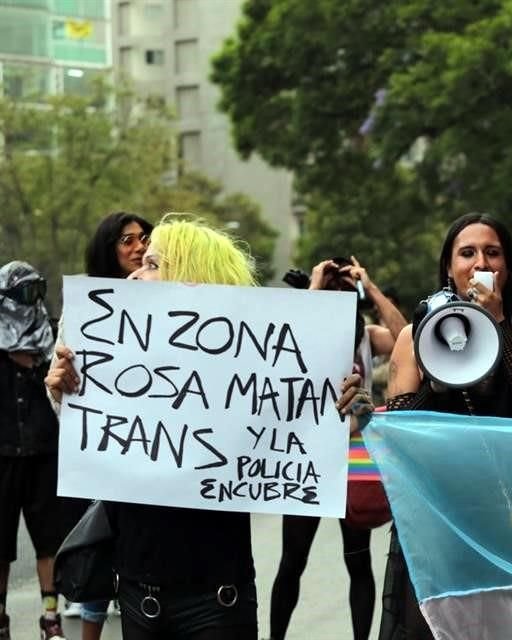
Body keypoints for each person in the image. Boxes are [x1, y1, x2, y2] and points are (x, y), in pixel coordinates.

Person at [45, 217, 372, 640]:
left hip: (218, 599)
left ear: (191, 278)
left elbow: (307, 426)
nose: (138, 273)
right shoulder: (115, 354)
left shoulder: (246, 361)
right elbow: (90, 445)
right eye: (140, 262)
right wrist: (64, 394)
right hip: (137, 590)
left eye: (153, 263)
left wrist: (348, 407)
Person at [379, 213, 512, 640]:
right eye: (468, 253)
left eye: (493, 253)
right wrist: (438, 375)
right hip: (439, 519)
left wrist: (498, 326)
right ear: (448, 267)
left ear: (508, 267)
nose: (481, 263)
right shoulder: (415, 336)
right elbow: (404, 429)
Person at [270, 256, 406, 640]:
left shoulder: (366, 335)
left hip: (352, 459)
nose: (341, 296)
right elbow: (281, 341)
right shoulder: (307, 334)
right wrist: (316, 284)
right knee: (292, 561)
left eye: (349, 290)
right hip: (310, 456)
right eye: (334, 290)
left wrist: (371, 286)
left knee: (358, 562)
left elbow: (405, 339)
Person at [52, 211, 153, 640]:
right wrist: (59, 388)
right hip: (112, 452)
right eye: (127, 240)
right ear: (107, 249)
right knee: (103, 545)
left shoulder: (176, 297)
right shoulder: (84, 311)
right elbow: (65, 404)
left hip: (163, 453)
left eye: (145, 239)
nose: (138, 247)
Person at [0, 262, 67, 640]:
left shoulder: (53, 336)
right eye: (24, 293)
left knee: (49, 541)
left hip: (44, 452)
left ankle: (50, 617)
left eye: (37, 291)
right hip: (2, 455)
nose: (33, 301)